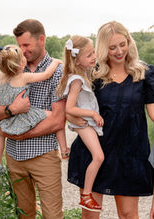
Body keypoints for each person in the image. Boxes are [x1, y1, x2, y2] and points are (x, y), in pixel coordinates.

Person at [66, 21, 154, 219]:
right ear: (103, 48)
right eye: (112, 47)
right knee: (90, 215)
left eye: (123, 44)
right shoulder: (92, 74)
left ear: (129, 41)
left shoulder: (145, 73)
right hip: (96, 151)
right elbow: (72, 106)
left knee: (129, 214)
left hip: (130, 154)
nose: (119, 51)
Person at [0, 19, 67, 219]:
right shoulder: (9, 67)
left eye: (26, 45)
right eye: (19, 45)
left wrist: (22, 135)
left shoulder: (57, 71)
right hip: (14, 157)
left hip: (44, 156)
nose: (22, 50)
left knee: (52, 215)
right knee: (24, 214)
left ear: (41, 40)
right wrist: (12, 110)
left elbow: (57, 120)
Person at [0, 44, 69, 169]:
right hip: (24, 116)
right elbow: (46, 74)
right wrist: (56, 62)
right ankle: (64, 149)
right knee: (56, 117)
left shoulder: (0, 76)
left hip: (8, 121)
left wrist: (3, 71)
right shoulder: (24, 77)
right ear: (21, 65)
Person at [56, 36, 104, 212]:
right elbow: (70, 108)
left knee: (98, 156)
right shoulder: (76, 80)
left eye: (94, 52)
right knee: (98, 157)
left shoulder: (82, 74)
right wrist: (92, 113)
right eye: (89, 54)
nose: (94, 57)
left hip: (85, 123)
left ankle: (87, 194)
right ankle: (86, 196)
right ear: (77, 59)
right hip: (84, 123)